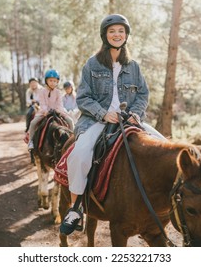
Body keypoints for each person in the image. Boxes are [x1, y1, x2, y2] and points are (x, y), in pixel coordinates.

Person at [60, 14, 165, 235]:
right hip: (97, 120)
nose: (117, 35)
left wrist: (135, 114)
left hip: (129, 120)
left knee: (163, 146)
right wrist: (103, 113)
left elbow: (143, 94)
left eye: (121, 31)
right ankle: (75, 208)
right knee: (79, 154)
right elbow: (83, 98)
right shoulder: (92, 63)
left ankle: (168, 205)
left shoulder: (134, 66)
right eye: (112, 31)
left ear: (126, 35)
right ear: (105, 35)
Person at [27, 69, 75, 150]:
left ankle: (73, 140)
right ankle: (31, 141)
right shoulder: (42, 91)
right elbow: (42, 104)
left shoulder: (58, 92)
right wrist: (46, 111)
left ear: (57, 82)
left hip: (57, 111)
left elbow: (59, 104)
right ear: (46, 81)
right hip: (44, 112)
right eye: (51, 80)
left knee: (70, 121)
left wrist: (57, 111)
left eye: (55, 81)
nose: (53, 83)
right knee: (33, 123)